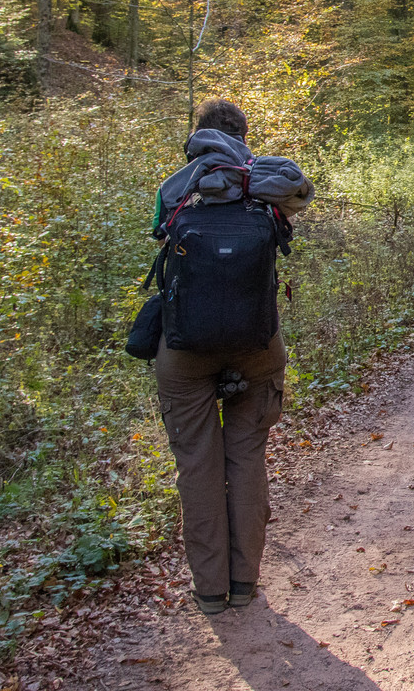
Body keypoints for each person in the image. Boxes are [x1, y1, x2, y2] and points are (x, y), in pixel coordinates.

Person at [154, 99, 307, 614]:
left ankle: (208, 592)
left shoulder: (177, 190)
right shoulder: (266, 189)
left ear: (196, 136)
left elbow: (159, 236)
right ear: (245, 136)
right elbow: (295, 212)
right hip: (258, 344)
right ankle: (244, 585)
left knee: (197, 466)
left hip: (184, 349)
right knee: (246, 457)